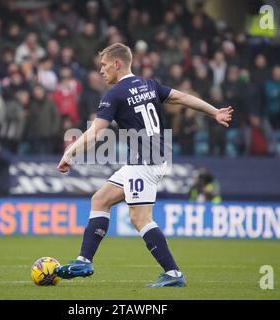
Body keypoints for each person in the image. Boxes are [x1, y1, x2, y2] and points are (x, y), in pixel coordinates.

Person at [55, 43, 233, 287]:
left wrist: (69, 154)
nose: (101, 70)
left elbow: (96, 133)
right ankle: (84, 260)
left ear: (117, 64)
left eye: (104, 65)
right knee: (100, 199)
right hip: (150, 157)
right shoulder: (148, 84)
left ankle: (173, 274)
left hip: (145, 161)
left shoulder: (115, 94)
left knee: (140, 218)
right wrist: (214, 112)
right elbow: (182, 97)